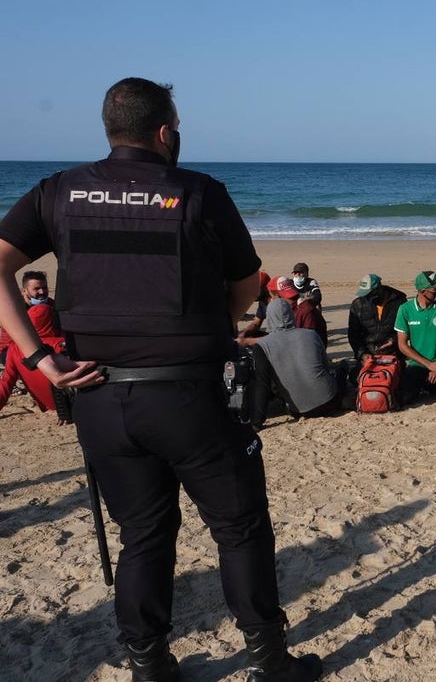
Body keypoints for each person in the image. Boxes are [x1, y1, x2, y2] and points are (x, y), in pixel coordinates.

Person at [0, 78, 321, 681]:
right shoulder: (198, 192)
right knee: (240, 527)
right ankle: (269, 662)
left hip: (98, 397)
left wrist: (38, 359)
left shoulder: (59, 192)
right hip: (188, 395)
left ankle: (149, 668)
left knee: (143, 537)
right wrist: (210, 326)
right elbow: (248, 285)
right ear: (166, 132)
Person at [248, 298, 344, 431]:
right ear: (291, 314)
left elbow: (262, 385)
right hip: (329, 401)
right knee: (342, 367)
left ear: (269, 317)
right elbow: (325, 367)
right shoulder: (311, 334)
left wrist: (256, 422)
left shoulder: (262, 346)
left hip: (298, 410)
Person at [394, 270, 436, 405]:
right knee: (404, 399)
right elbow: (402, 345)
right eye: (434, 290)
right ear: (423, 291)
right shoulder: (405, 309)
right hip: (417, 364)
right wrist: (429, 365)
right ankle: (427, 385)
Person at [0, 302, 66, 416]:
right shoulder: (60, 344)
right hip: (66, 403)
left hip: (46, 403)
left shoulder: (15, 348)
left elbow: (6, 382)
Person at [0, 269, 59, 362]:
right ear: (24, 291)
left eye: (44, 287)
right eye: (36, 289)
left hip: (42, 349)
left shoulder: (52, 304)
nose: (42, 292)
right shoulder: (14, 308)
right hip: (11, 351)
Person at [348, 273, 407, 365]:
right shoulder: (358, 304)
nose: (367, 298)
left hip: (393, 353)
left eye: (370, 294)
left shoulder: (399, 302)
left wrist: (393, 340)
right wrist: (362, 354)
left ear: (379, 289)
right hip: (368, 353)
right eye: (365, 295)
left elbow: (405, 329)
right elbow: (353, 334)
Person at [237, 271, 273, 346]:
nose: (252, 292)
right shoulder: (263, 302)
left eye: (256, 288)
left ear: (265, 287)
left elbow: (280, 336)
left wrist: (248, 341)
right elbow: (256, 323)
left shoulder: (276, 305)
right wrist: (243, 334)